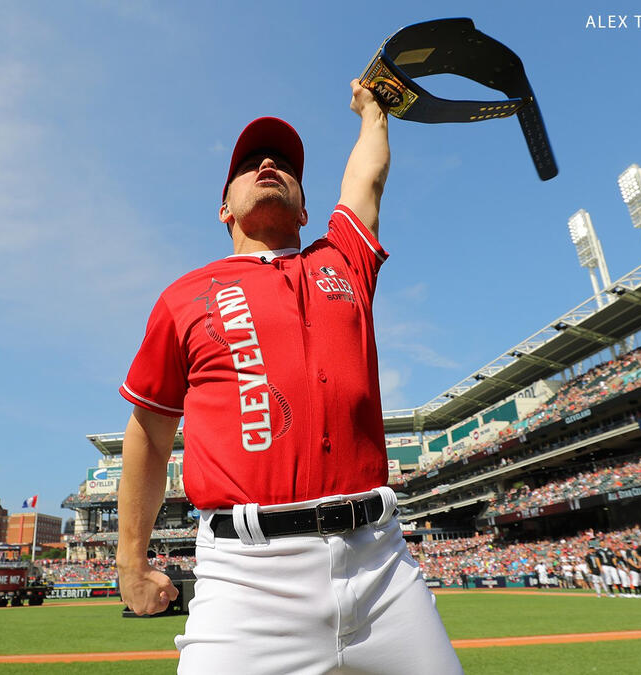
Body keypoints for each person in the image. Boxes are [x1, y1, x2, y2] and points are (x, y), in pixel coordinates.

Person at [115, 81, 462, 674]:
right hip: (248, 578)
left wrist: (374, 112)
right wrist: (131, 563)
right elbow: (148, 432)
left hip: (381, 563)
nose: (268, 164)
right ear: (225, 208)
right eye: (250, 164)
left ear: (305, 210)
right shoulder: (182, 297)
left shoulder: (341, 260)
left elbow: (367, 179)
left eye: (281, 163)